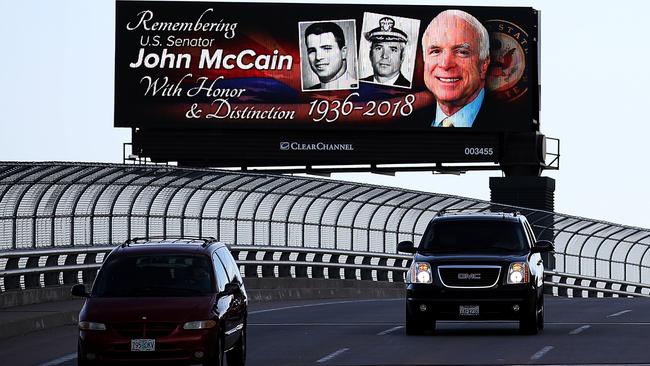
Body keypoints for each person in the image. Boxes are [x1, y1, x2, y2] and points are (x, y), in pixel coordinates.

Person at [421, 10, 494, 128]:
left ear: (484, 65)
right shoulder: (404, 122)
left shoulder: (513, 123)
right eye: (435, 51)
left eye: (461, 52)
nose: (445, 64)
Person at [304, 22, 357, 91]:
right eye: (312, 50)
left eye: (326, 48)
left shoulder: (364, 91)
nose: (318, 57)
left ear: (343, 52)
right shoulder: (305, 95)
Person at [361, 17, 411, 88]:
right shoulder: (360, 84)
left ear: (402, 56)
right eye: (379, 48)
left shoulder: (413, 91)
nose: (384, 56)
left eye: (393, 50)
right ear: (370, 55)